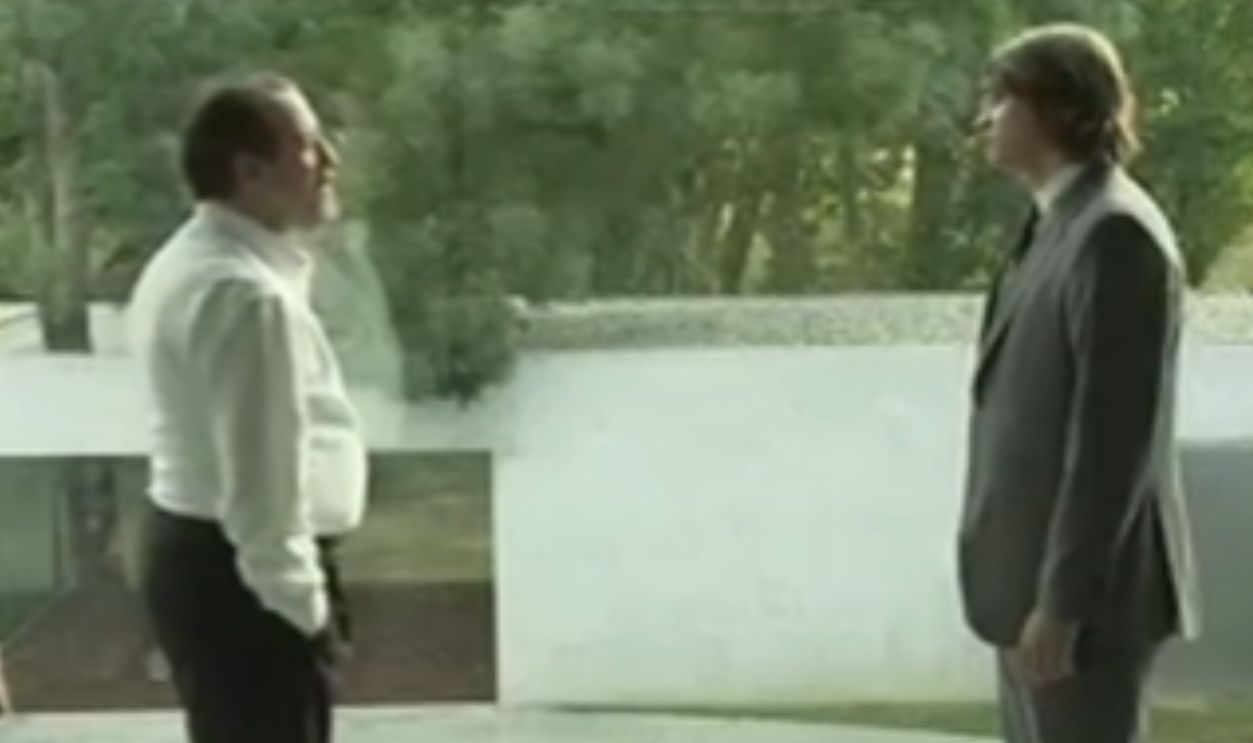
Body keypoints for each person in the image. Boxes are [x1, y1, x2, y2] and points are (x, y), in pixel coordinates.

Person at [958, 23, 1202, 743]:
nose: (984, 118)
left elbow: (1111, 446)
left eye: (1001, 99)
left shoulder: (1114, 235)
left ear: (1061, 108)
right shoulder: (1054, 225)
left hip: (1079, 609)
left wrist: (1062, 604)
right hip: (1026, 593)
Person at [128, 73, 366, 743]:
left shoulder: (200, 260)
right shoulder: (244, 296)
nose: (329, 161)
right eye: (308, 145)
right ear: (249, 170)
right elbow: (262, 481)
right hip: (248, 583)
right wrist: (303, 611)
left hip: (215, 566)